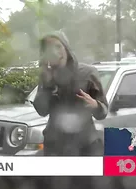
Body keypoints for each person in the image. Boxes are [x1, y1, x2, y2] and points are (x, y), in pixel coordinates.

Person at [33, 31, 110, 189]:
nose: (55, 52)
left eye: (58, 46)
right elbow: (42, 110)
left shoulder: (88, 73)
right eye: (49, 48)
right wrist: (47, 84)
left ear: (66, 48)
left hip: (85, 146)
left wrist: (95, 105)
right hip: (55, 148)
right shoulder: (46, 76)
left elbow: (103, 111)